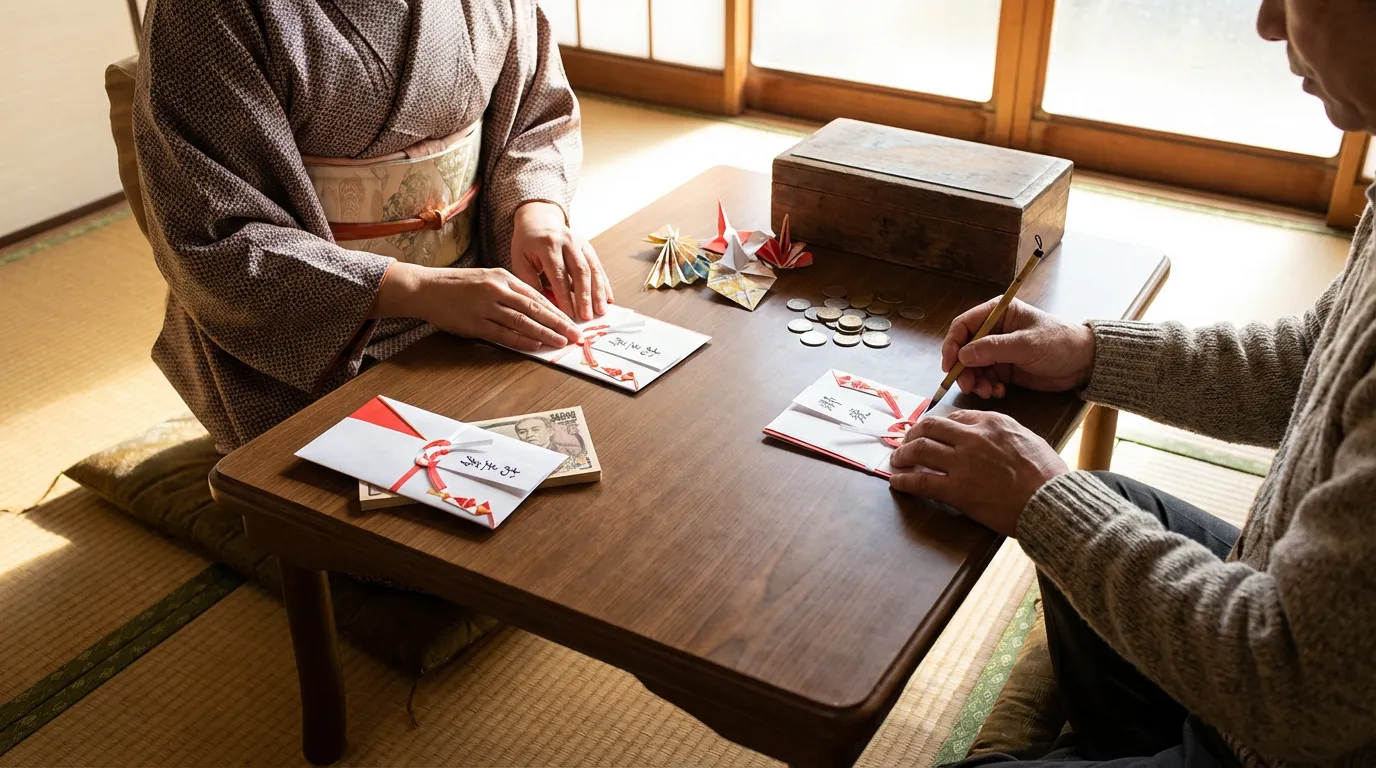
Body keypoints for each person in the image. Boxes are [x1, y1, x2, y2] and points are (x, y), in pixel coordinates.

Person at [890, 2, 1376, 766]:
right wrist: (1087, 352)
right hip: (1286, 615)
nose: (1267, 24)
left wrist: (1042, 496)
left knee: (1072, 505)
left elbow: (1298, 695)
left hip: (1291, 725)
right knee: (1111, 499)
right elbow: (1313, 360)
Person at [133, 0, 611, 453]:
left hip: (488, 279)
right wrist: (418, 289)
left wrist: (536, 208)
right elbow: (217, 232)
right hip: (314, 327)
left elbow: (537, 107)